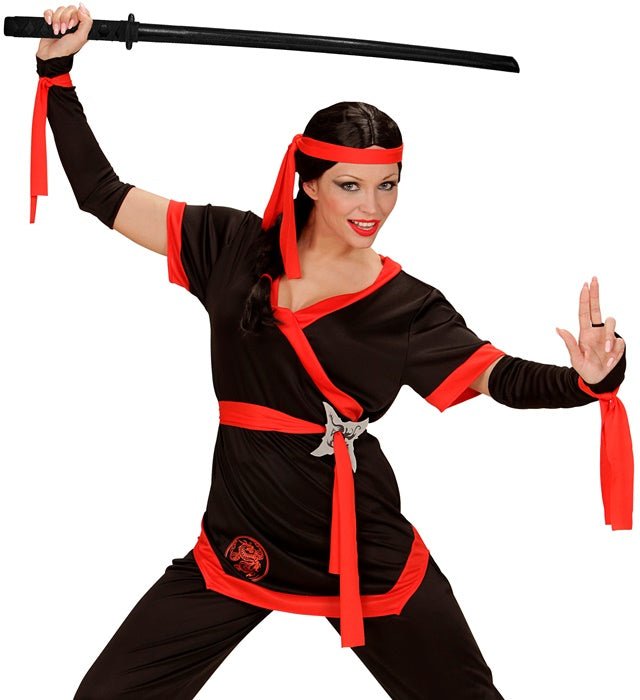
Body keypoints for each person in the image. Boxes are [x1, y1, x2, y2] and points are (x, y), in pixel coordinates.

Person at [31, 5, 632, 699]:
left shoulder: (408, 304)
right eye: (350, 184)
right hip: (243, 539)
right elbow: (101, 194)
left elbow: (499, 378)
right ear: (310, 182)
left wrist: (587, 381)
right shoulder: (229, 246)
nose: (371, 206)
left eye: (387, 184)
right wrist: (57, 76)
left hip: (363, 545)